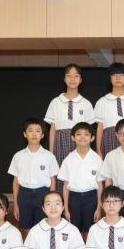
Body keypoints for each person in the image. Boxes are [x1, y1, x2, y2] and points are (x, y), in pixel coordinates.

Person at [44, 63, 95, 194]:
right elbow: (53, 128)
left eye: (76, 76)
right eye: (69, 76)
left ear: (81, 79)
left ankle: (78, 197)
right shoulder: (55, 102)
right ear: (64, 79)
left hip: (80, 142)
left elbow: (89, 130)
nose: (72, 79)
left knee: (79, 171)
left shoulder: (86, 103)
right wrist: (51, 152)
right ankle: (60, 201)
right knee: (60, 173)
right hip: (60, 142)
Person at [8, 118, 59, 230]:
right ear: (24, 134)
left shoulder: (49, 156)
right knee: (25, 228)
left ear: (43, 135)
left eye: (38, 131)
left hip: (43, 194)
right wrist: (15, 204)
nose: (34, 134)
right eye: (30, 130)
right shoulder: (18, 156)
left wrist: (51, 201)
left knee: (42, 228)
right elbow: (15, 182)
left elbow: (53, 181)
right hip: (24, 195)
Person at [58, 122, 103, 234]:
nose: (82, 137)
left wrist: (99, 208)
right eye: (78, 134)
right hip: (74, 198)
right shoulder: (68, 159)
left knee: (90, 230)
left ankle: (88, 246)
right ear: (73, 137)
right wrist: (66, 209)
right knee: (74, 230)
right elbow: (65, 186)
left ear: (92, 138)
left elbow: (100, 186)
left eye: (86, 134)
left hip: (91, 197)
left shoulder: (97, 159)